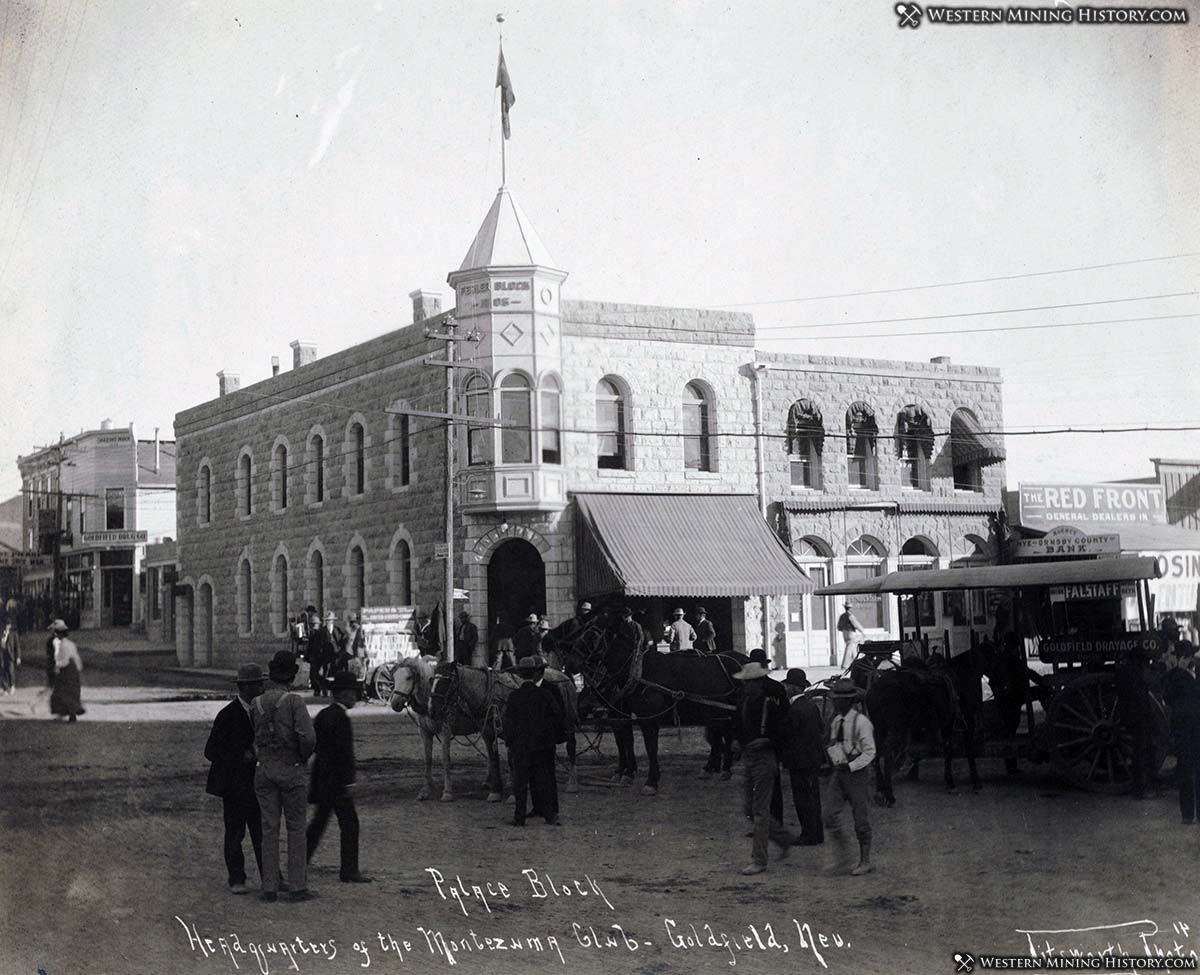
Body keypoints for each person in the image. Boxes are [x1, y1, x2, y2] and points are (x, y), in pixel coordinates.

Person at [253, 650, 317, 902]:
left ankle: (269, 886)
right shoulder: (294, 702)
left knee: (268, 828)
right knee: (296, 828)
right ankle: (297, 886)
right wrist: (301, 756)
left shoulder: (256, 703)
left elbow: (254, 735)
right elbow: (308, 737)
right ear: (290, 675)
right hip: (291, 767)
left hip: (264, 768)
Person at [205, 663, 268, 895]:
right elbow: (210, 751)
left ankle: (270, 877)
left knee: (262, 832)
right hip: (234, 786)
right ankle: (236, 878)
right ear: (245, 688)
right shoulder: (227, 715)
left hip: (258, 784)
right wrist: (240, 755)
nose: (262, 688)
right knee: (235, 833)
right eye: (258, 684)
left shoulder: (262, 711)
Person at [307, 672, 374, 883]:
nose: (355, 697)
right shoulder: (342, 719)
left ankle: (299, 861)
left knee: (318, 823)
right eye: (352, 693)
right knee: (350, 824)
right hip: (336, 783)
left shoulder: (324, 714)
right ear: (343, 694)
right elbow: (344, 754)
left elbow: (314, 745)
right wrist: (349, 781)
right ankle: (349, 870)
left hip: (322, 779)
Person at [733, 656, 794, 874]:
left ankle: (759, 860)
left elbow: (785, 731)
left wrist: (768, 740)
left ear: (759, 683)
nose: (747, 686)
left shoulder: (770, 704)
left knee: (759, 810)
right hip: (750, 756)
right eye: (745, 682)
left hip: (765, 757)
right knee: (749, 809)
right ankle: (783, 838)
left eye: (750, 682)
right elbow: (740, 726)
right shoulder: (745, 701)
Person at [502, 655, 564, 826]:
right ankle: (549, 816)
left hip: (521, 747)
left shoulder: (514, 696)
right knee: (543, 779)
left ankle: (519, 817)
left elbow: (508, 722)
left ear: (521, 675)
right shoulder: (545, 694)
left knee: (520, 782)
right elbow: (557, 716)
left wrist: (510, 743)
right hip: (542, 746)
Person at [823, 678, 876, 875]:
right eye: (834, 698)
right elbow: (833, 743)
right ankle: (844, 856)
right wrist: (833, 755)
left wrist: (852, 765)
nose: (834, 702)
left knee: (860, 818)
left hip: (857, 772)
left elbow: (870, 752)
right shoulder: (836, 721)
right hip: (839, 771)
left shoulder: (862, 723)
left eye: (838, 699)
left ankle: (865, 860)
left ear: (848, 701)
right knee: (828, 814)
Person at [779, 668, 824, 846]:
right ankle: (816, 833)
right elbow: (821, 728)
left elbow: (787, 734)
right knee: (813, 797)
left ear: (793, 688)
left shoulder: (794, 709)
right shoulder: (811, 706)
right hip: (813, 758)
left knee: (802, 799)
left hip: (799, 760)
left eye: (788, 686)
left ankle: (808, 834)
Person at [1162, 642, 1200, 823]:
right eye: (1187, 656)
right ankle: (1187, 815)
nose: (1190, 659)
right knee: (1186, 771)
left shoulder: (1195, 672)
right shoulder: (1174, 676)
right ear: (1180, 658)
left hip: (1195, 726)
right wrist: (1178, 672)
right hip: (1184, 728)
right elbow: (1167, 697)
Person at [1116, 649, 1155, 799]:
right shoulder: (1135, 674)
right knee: (1141, 751)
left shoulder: (1123, 671)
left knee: (1138, 751)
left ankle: (1140, 787)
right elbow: (1141, 696)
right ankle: (1141, 789)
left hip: (1129, 716)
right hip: (1139, 716)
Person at [48, 620, 85, 722]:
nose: (56, 635)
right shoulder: (71, 644)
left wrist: (57, 667)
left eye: (57, 633)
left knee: (62, 693)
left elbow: (64, 660)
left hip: (66, 670)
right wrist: (79, 668)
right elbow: (76, 657)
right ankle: (71, 714)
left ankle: (64, 713)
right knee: (72, 693)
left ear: (60, 634)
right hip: (73, 671)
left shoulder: (63, 645)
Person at [306, 612, 343, 698]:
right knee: (324, 673)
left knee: (335, 673)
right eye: (327, 620)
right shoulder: (321, 631)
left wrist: (339, 651)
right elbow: (318, 645)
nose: (329, 622)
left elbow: (341, 641)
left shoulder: (337, 630)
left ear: (333, 621)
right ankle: (324, 689)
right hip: (325, 657)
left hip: (335, 656)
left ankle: (333, 690)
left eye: (330, 620)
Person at [837, 603, 866, 670]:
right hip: (850, 632)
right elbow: (856, 624)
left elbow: (839, 626)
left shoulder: (842, 616)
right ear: (850, 608)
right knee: (850, 648)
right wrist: (862, 631)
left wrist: (844, 629)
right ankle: (845, 665)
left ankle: (856, 663)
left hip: (845, 632)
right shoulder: (850, 616)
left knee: (853, 648)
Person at [1, 616, 20, 695]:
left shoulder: (14, 634)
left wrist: (18, 657)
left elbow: (17, 646)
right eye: (5, 625)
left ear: (10, 625)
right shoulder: (2, 633)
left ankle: (12, 686)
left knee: (11, 670)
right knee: (3, 671)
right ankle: (5, 688)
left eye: (8, 625)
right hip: (2, 654)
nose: (6, 626)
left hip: (10, 654)